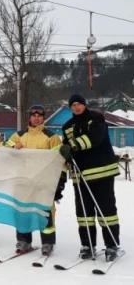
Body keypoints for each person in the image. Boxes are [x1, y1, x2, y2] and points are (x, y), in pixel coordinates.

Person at [59, 94, 120, 261]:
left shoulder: (96, 118)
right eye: (73, 105)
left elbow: (95, 138)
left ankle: (111, 244)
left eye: (79, 104)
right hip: (80, 176)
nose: (77, 107)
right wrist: (66, 152)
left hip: (102, 172)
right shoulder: (67, 126)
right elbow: (66, 147)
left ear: (85, 105)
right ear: (70, 107)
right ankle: (87, 245)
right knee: (84, 213)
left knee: (106, 211)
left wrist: (72, 145)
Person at [5, 104, 66, 256]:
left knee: (45, 211)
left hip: (44, 182)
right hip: (23, 181)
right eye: (34, 115)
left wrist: (60, 183)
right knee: (22, 210)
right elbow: (4, 147)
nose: (36, 118)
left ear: (43, 118)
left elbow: (61, 161)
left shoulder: (51, 137)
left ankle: (48, 242)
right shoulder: (18, 135)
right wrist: (13, 146)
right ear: (30, 117)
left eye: (39, 115)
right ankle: (24, 240)